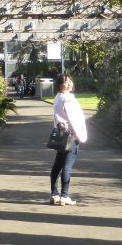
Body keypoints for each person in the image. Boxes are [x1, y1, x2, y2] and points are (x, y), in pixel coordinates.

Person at [50, 73, 87, 206]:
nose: (70, 83)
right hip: (71, 135)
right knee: (66, 167)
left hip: (61, 134)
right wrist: (79, 135)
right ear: (60, 85)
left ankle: (54, 194)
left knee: (57, 166)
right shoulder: (68, 99)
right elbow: (73, 120)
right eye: (67, 82)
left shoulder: (58, 98)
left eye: (70, 81)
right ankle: (65, 196)